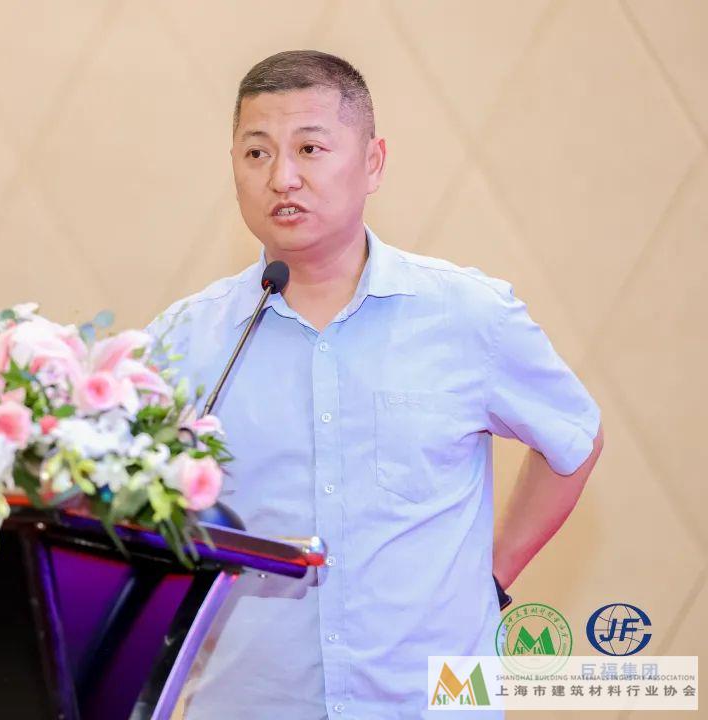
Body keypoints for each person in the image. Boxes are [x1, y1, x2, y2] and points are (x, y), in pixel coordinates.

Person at [146, 50, 604, 719]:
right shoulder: (187, 340)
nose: (282, 177)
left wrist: (493, 575)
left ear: (372, 163)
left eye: (310, 148)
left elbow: (573, 440)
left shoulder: (467, 315)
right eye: (257, 153)